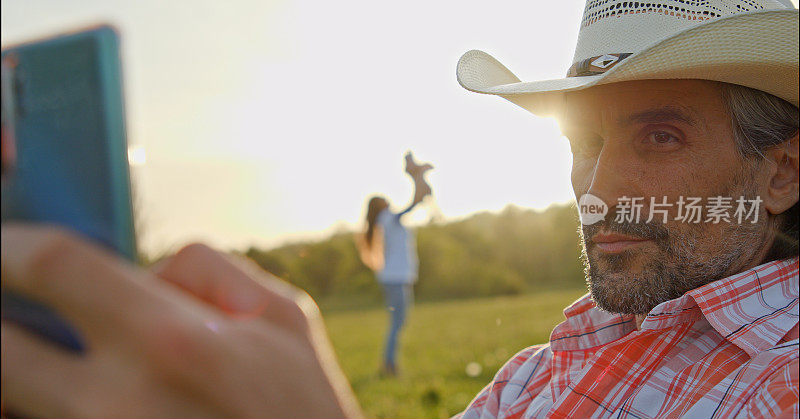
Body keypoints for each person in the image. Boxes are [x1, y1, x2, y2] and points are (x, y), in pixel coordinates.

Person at [1, 0, 797, 417]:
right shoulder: (534, 371)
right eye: (581, 139)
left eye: (660, 135)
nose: (598, 184)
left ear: (782, 173)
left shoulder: (778, 386)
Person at [357, 152, 433, 376]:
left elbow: (415, 205)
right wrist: (416, 178)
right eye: (384, 199)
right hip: (395, 277)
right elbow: (411, 206)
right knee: (398, 323)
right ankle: (389, 365)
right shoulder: (388, 219)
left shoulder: (385, 220)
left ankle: (389, 364)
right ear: (379, 206)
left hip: (396, 276)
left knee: (398, 322)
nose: (388, 200)